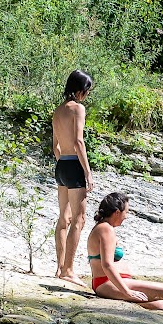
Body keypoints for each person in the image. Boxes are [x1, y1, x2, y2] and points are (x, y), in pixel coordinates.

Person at [87, 191, 163, 317]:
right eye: (126, 212)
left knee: (160, 305)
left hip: (112, 282)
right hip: (106, 283)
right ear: (117, 212)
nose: (126, 216)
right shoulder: (105, 229)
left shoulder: (104, 227)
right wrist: (127, 292)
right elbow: (107, 265)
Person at [50, 70, 94, 280]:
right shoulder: (78, 109)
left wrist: (63, 166)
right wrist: (87, 171)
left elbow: (55, 147)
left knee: (63, 218)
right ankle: (68, 270)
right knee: (79, 219)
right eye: (87, 91)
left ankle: (59, 268)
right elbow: (79, 142)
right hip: (74, 166)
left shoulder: (58, 111)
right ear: (80, 90)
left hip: (61, 166)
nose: (86, 95)